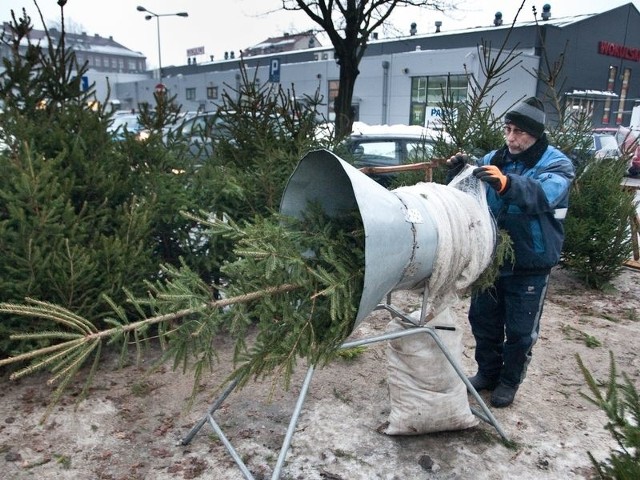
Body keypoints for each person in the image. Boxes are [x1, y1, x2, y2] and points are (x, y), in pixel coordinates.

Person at [446, 97, 575, 408]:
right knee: (483, 320)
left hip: (530, 261)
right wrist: (458, 171)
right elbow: (469, 191)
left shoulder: (557, 163)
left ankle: (508, 382)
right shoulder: (495, 157)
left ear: (535, 135)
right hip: (490, 258)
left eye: (519, 132)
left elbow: (544, 193)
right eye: (508, 129)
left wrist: (506, 184)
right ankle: (488, 373)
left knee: (519, 329)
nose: (512, 138)